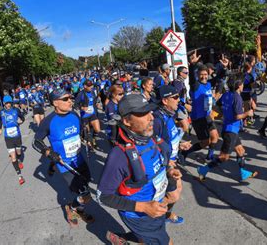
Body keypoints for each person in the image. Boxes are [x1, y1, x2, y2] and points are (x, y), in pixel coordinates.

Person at [97, 94, 180, 245]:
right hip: (140, 216)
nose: (151, 117)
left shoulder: (151, 137)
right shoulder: (119, 156)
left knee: (148, 239)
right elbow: (103, 196)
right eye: (142, 114)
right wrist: (144, 207)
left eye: (149, 111)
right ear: (127, 121)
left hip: (156, 206)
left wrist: (168, 171)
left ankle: (121, 238)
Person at [33, 89, 94, 226]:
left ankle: (79, 208)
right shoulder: (48, 121)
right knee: (84, 193)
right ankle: (71, 208)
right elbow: (36, 142)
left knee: (85, 187)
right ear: (55, 103)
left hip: (79, 159)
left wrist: (87, 137)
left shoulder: (74, 115)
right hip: (65, 164)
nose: (70, 101)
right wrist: (49, 153)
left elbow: (82, 130)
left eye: (70, 98)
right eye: (65, 99)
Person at [197, 76, 258, 181]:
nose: (243, 85)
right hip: (231, 131)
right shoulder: (237, 97)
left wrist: (222, 115)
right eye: (242, 84)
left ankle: (243, 172)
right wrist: (248, 113)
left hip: (228, 128)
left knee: (240, 150)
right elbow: (237, 116)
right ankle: (204, 169)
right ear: (239, 85)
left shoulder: (226, 94)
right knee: (224, 157)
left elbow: (218, 106)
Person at [153, 85, 191, 224]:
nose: (178, 100)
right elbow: (150, 145)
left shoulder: (169, 114)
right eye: (175, 97)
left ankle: (163, 214)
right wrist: (166, 161)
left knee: (177, 190)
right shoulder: (157, 119)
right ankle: (150, 215)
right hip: (164, 164)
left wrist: (180, 144)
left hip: (172, 161)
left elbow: (166, 139)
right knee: (173, 195)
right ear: (165, 100)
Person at [180, 64, 219, 162]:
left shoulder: (208, 84)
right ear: (197, 75)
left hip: (207, 116)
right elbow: (192, 80)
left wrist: (224, 67)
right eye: (201, 74)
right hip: (198, 119)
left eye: (205, 74)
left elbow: (220, 78)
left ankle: (209, 156)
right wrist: (192, 65)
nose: (204, 77)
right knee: (205, 142)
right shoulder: (195, 86)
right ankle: (185, 152)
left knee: (215, 136)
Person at [0, 96, 26, 185]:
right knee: (13, 157)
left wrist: (20, 122)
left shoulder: (16, 110)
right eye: (6, 103)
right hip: (8, 137)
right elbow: (0, 120)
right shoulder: (2, 112)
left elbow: (23, 118)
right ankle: (20, 176)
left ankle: (19, 160)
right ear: (4, 104)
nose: (8, 104)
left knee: (18, 153)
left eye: (9, 102)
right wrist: (0, 128)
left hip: (17, 136)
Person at [75, 80, 101, 153]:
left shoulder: (92, 92)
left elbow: (95, 100)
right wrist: (82, 108)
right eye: (89, 86)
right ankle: (90, 145)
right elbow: (75, 105)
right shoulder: (81, 94)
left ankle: (93, 139)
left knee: (98, 129)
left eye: (91, 85)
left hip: (93, 114)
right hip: (85, 116)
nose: (91, 87)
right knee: (88, 132)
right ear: (85, 86)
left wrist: (97, 103)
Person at [171, 66, 191, 133]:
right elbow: (176, 97)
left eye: (187, 72)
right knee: (185, 127)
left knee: (181, 126)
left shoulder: (181, 82)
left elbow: (182, 95)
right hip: (179, 107)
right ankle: (174, 139)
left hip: (181, 106)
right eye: (186, 73)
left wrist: (187, 100)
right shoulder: (178, 83)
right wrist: (185, 105)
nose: (187, 74)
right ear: (180, 73)